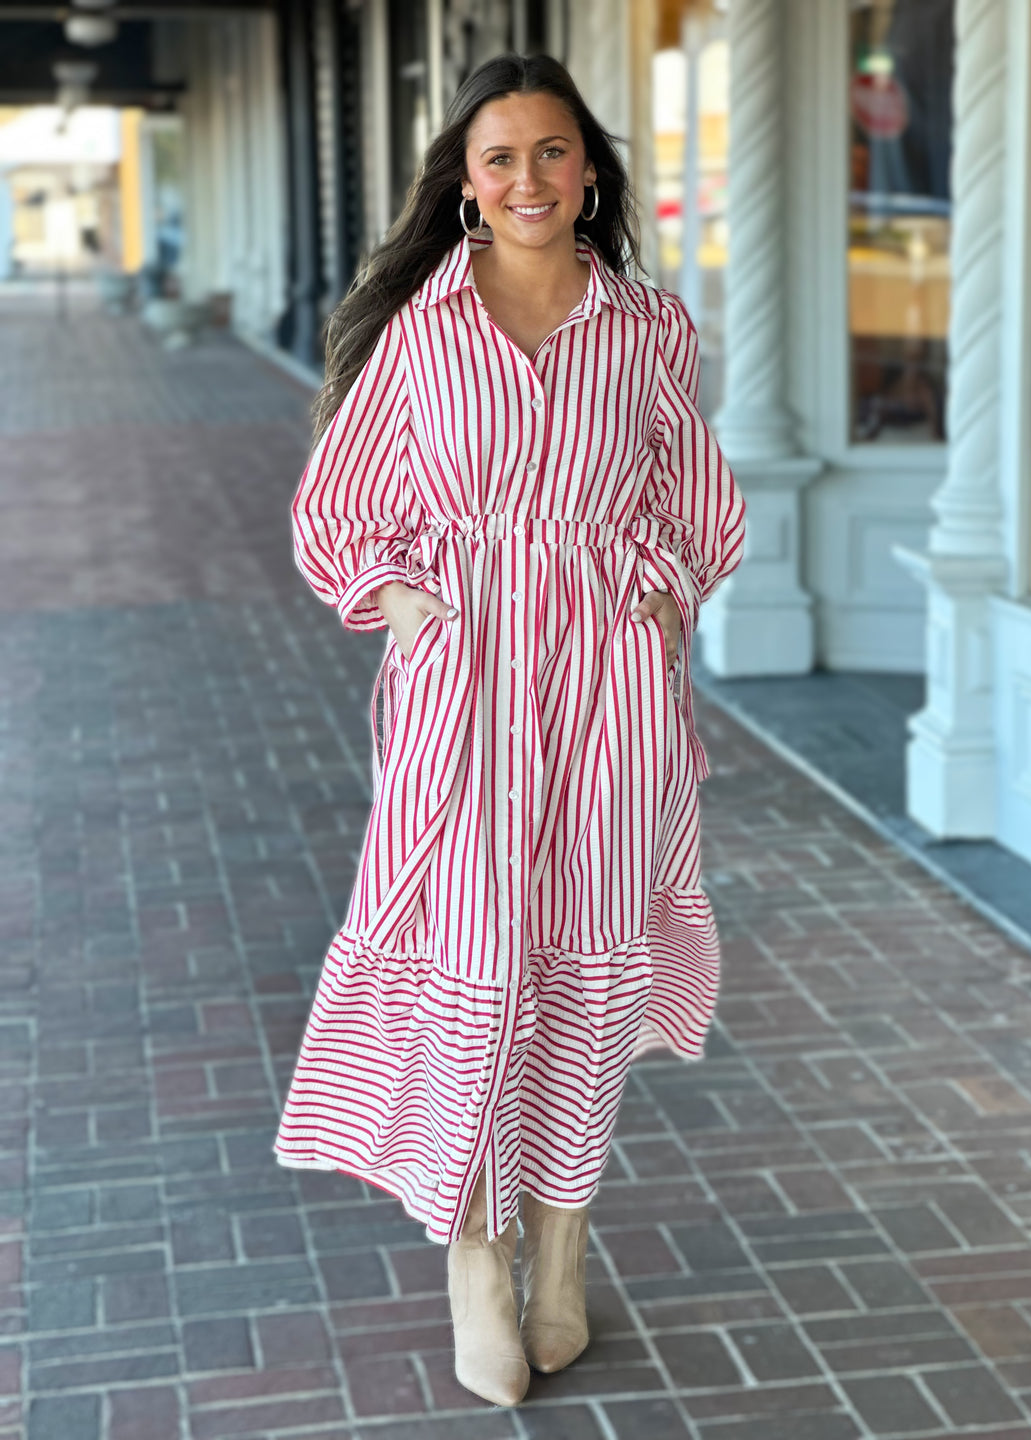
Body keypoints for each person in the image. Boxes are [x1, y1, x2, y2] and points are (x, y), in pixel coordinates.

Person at [273, 52, 745, 1408]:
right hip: (465, 684)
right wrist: (404, 602)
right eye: (499, 158)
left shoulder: (649, 326)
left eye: (551, 152)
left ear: (588, 170)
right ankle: (471, 1256)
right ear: (465, 187)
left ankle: (562, 1251)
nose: (527, 177)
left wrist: (670, 583)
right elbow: (335, 507)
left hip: (609, 688)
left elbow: (691, 485)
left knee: (583, 969)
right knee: (478, 956)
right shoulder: (421, 330)